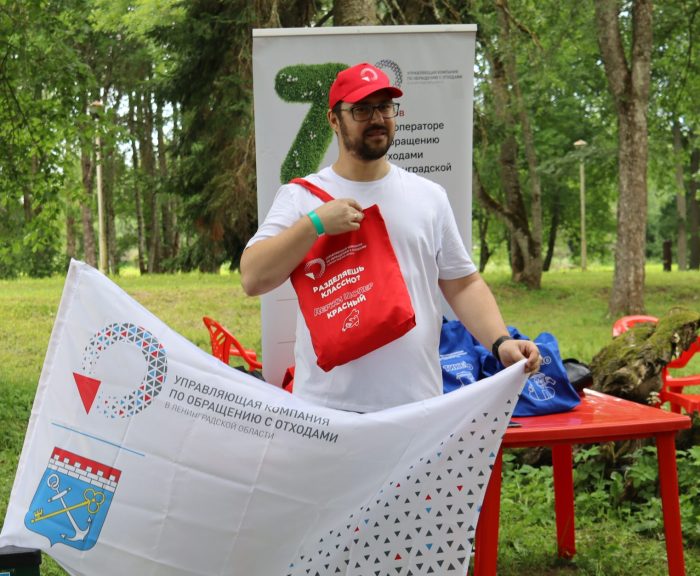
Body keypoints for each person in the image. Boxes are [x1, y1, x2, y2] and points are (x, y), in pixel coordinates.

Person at [240, 62, 540, 413]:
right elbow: (253, 277)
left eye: (384, 107)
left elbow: (462, 284)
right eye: (362, 109)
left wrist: (500, 341)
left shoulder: (428, 196)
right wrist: (314, 225)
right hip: (328, 407)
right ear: (334, 121)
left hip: (416, 404)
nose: (377, 118)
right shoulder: (301, 197)